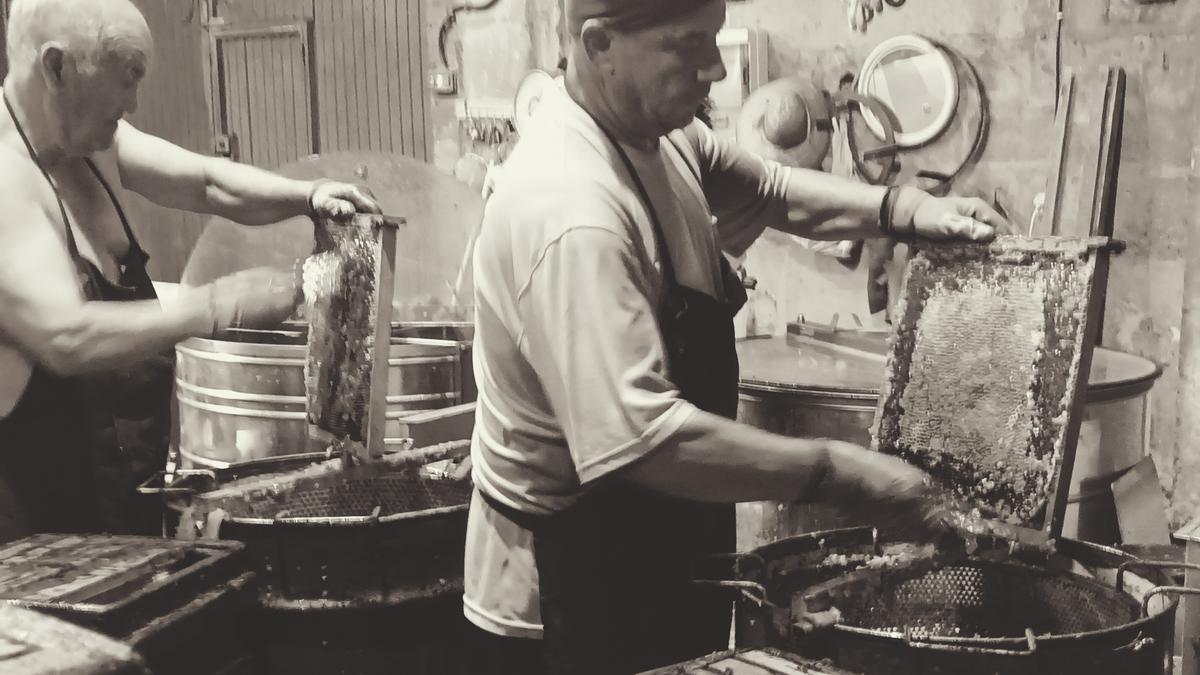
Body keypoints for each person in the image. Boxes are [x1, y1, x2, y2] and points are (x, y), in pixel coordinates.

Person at [463, 1, 1012, 673]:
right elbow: (641, 440)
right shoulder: (571, 212)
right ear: (599, 44)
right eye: (688, 45)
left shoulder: (659, 137)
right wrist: (842, 473)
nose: (716, 69)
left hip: (658, 541)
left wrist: (909, 208)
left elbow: (772, 189)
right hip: (565, 583)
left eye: (716, 40)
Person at [0, 0, 380, 543]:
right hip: (41, 543)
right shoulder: (7, 182)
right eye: (125, 82)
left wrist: (308, 194)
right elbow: (66, 338)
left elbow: (207, 183)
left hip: (123, 510)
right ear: (56, 67)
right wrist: (218, 306)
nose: (133, 104)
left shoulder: (89, 144)